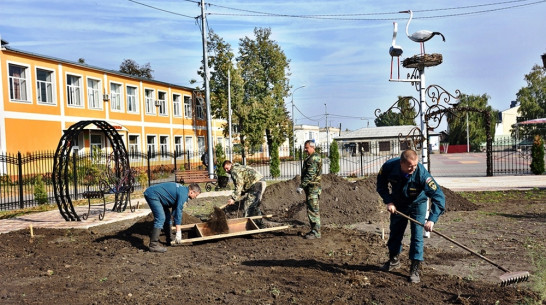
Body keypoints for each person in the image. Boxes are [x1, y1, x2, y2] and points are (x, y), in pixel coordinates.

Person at [376, 149, 445, 283]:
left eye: (415, 165)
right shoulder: (389, 167)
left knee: (417, 235)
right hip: (398, 203)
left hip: (417, 204)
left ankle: (415, 268)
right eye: (409, 166)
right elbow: (381, 184)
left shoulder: (422, 174)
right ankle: (394, 260)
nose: (413, 168)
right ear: (401, 163)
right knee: (395, 231)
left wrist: (431, 220)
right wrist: (388, 201)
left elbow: (439, 197)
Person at [143, 182, 201, 253]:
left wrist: (173, 217)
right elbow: (178, 212)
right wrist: (178, 231)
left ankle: (170, 238)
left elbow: (175, 208)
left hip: (158, 196)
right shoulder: (183, 194)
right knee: (161, 218)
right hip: (153, 194)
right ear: (192, 192)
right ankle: (153, 245)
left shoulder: (183, 190)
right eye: (196, 195)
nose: (195, 197)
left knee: (168, 217)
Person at [223, 160, 266, 224]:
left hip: (256, 184)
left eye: (227, 168)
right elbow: (244, 180)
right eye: (225, 169)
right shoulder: (238, 167)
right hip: (260, 182)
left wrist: (233, 198)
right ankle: (259, 224)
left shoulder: (234, 171)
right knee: (254, 205)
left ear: (230, 165)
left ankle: (247, 226)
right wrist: (242, 192)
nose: (226, 171)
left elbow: (239, 184)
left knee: (248, 205)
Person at [296, 139, 322, 239]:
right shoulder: (313, 157)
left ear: (312, 147)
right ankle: (314, 230)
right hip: (313, 188)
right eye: (305, 148)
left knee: (313, 210)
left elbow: (310, 175)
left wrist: (301, 186)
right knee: (312, 209)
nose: (305, 150)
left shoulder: (313, 158)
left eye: (307, 148)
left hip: (313, 188)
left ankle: (316, 233)